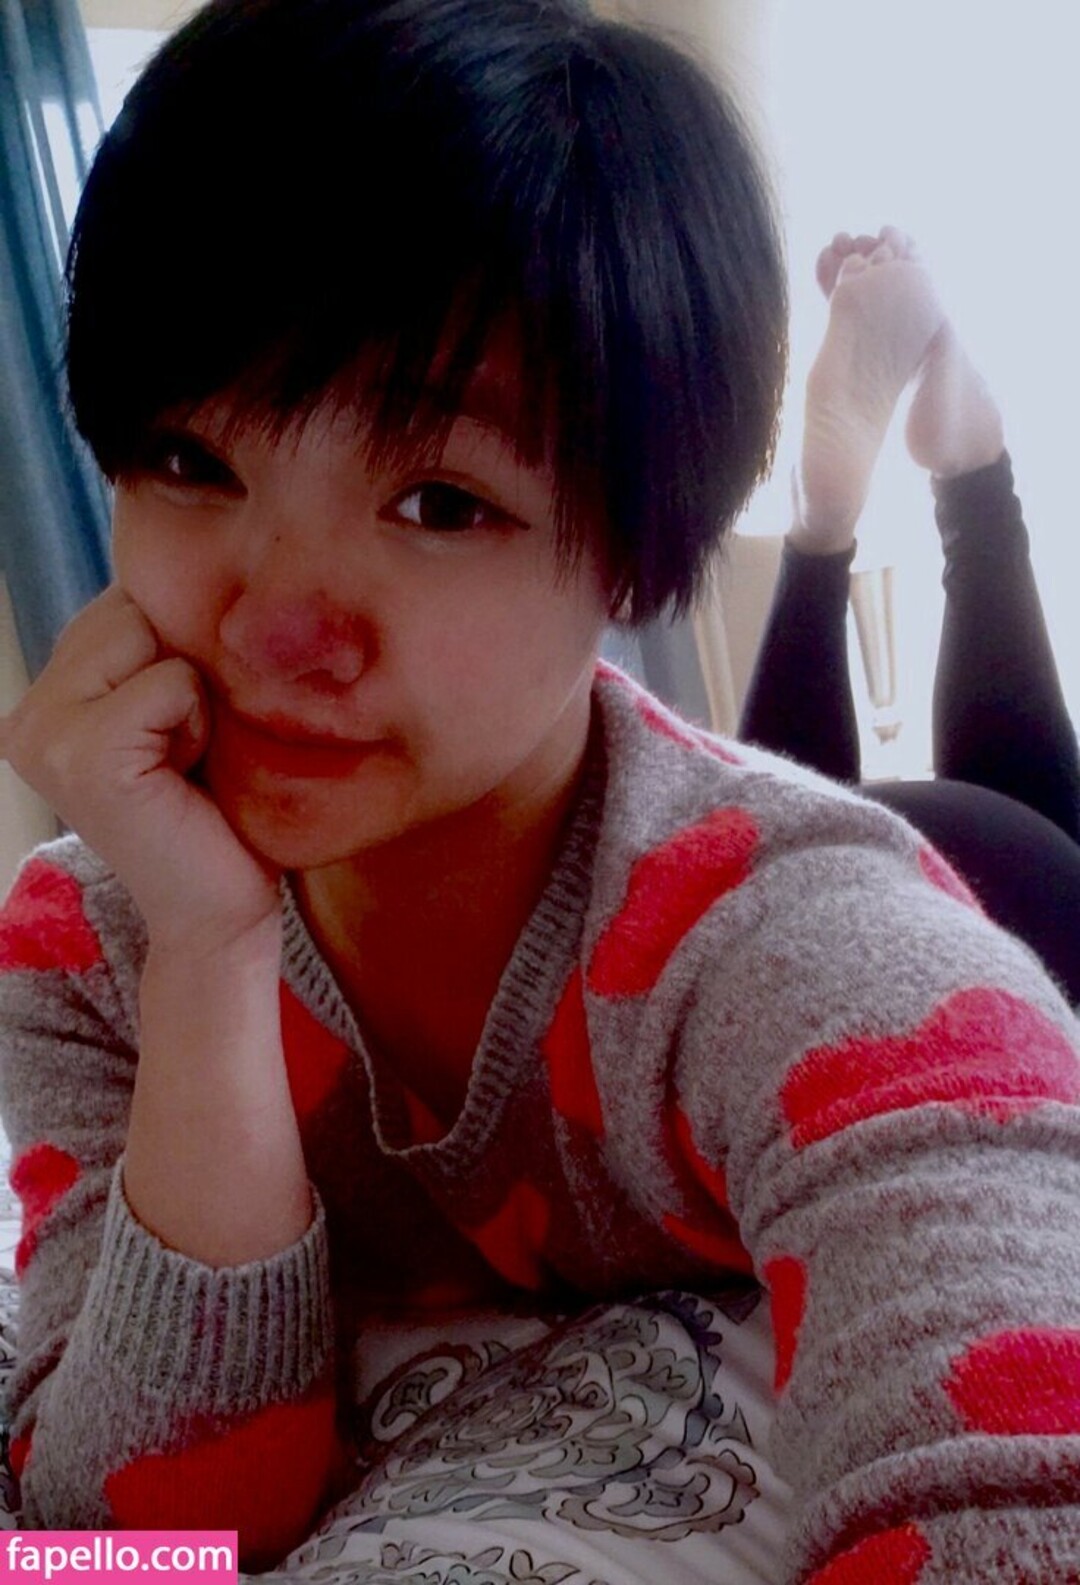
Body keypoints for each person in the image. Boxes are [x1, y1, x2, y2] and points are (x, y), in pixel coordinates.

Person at [0, 5, 1077, 1581]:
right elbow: (130, 1546)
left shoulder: (805, 946)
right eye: (190, 461)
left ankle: (905, 490)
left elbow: (1023, 1474)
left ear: (636, 554)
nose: (274, 630)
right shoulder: (95, 947)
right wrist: (210, 956)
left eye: (441, 503)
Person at [741, 227, 1080, 1003]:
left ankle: (950, 488)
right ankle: (904, 503)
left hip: (993, 906)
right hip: (1033, 909)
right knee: (764, 912)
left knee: (766, 918)